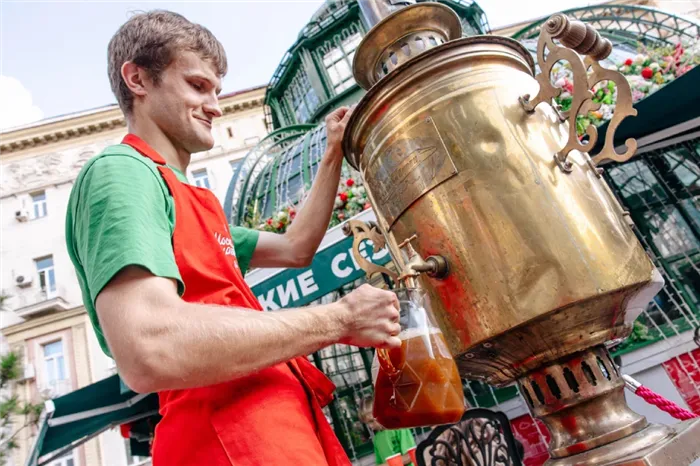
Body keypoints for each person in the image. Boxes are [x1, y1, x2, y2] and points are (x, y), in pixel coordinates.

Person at [65, 10, 403, 466]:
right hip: (232, 437)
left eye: (217, 91)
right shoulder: (122, 173)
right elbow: (149, 345)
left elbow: (296, 248)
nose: (216, 106)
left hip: (275, 427)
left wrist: (331, 155)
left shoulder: (191, 200)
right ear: (138, 80)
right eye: (198, 86)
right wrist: (338, 319)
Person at [360, 397, 418, 466]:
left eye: (371, 421)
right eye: (367, 423)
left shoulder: (399, 428)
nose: (370, 426)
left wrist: (388, 464)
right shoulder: (377, 439)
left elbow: (411, 455)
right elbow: (379, 463)